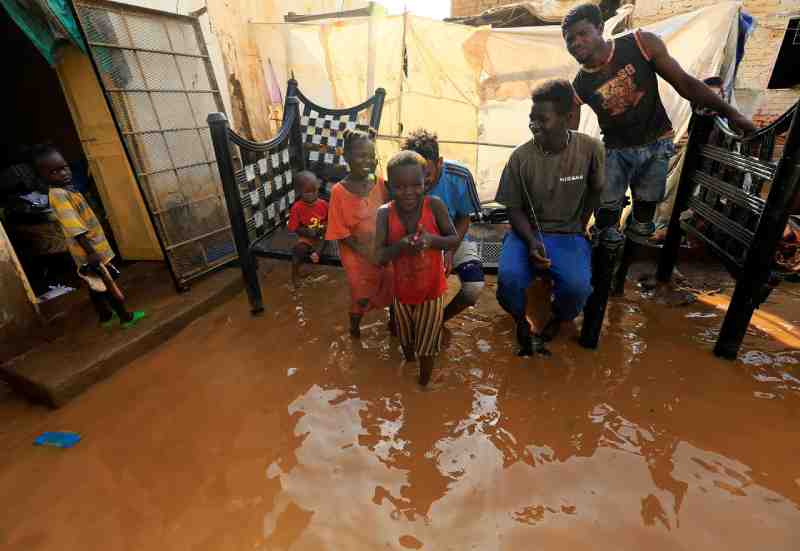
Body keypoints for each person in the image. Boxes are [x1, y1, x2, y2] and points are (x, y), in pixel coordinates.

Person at [562, 3, 756, 292]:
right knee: (605, 218)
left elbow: (685, 84)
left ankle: (619, 277)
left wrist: (734, 114)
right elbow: (571, 134)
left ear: (600, 29)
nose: (576, 43)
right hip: (615, 153)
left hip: (656, 146)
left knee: (642, 221)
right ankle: (598, 277)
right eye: (569, 40)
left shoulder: (640, 44)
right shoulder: (579, 84)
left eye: (582, 34)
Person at [495, 79, 605, 355]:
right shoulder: (520, 158)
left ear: (568, 118)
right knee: (508, 279)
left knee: (577, 288)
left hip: (568, 233)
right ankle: (520, 320)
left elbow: (596, 189)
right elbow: (513, 208)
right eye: (532, 118)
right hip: (526, 233)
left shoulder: (591, 150)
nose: (534, 125)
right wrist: (532, 241)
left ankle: (558, 317)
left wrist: (580, 226)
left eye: (542, 119)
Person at [34, 145, 144, 328]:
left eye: (64, 167)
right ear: (43, 177)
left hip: (90, 250)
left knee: (95, 285)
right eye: (54, 171)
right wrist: (91, 253)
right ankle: (125, 317)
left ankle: (105, 317)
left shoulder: (68, 190)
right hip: (89, 251)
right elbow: (74, 227)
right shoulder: (60, 196)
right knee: (108, 284)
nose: (63, 173)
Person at [375, 151, 459, 385]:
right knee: (406, 339)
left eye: (416, 185)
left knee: (428, 346)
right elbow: (378, 257)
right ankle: (408, 364)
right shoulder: (384, 214)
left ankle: (423, 384)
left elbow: (453, 239)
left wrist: (431, 241)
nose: (409, 192)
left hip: (431, 292)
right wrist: (401, 245)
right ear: (390, 187)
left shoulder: (435, 206)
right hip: (401, 294)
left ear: (426, 182)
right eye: (400, 187)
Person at [403, 130, 485, 322]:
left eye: (427, 175)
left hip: (454, 237)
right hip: (416, 238)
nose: (421, 184)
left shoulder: (461, 176)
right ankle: (404, 319)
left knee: (474, 286)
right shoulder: (402, 178)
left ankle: (439, 321)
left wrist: (448, 250)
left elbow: (465, 218)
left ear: (439, 162)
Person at [325, 129, 393, 338]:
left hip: (380, 247)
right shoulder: (338, 191)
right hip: (354, 251)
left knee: (390, 282)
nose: (367, 161)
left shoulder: (380, 183)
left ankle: (395, 324)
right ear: (346, 157)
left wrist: (382, 250)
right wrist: (367, 253)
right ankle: (354, 327)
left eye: (371, 156)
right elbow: (341, 233)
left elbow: (391, 215)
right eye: (361, 155)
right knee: (360, 295)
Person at [288, 170, 328, 288]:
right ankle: (295, 274)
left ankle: (315, 255)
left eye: (315, 190)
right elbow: (294, 227)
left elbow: (331, 221)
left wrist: (324, 227)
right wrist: (306, 231)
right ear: (299, 192)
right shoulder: (297, 207)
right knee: (297, 250)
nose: (312, 194)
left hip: (322, 236)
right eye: (307, 192)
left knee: (325, 239)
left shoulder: (324, 204)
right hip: (307, 238)